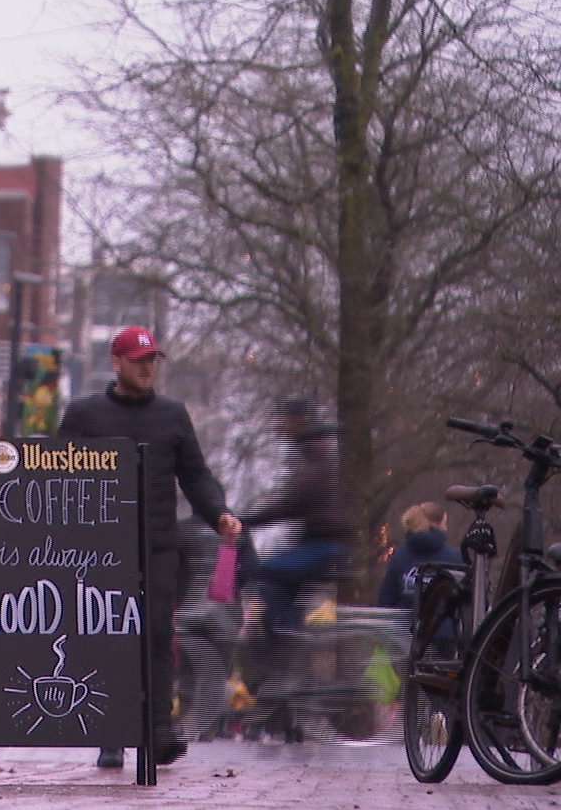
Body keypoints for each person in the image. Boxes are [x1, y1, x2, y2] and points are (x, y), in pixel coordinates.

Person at [56, 325, 240, 769]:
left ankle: (158, 729)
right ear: (116, 363)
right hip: (99, 551)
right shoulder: (84, 416)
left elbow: (195, 475)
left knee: (158, 634)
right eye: (139, 360)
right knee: (106, 635)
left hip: (158, 544)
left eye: (152, 360)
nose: (147, 368)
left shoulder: (173, 415)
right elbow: (55, 477)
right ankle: (111, 732)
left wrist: (218, 514)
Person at [242, 397, 353, 653]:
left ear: (299, 420)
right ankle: (290, 640)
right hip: (318, 544)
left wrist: (247, 520)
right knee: (284, 586)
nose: (283, 426)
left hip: (326, 546)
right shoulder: (311, 453)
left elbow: (291, 504)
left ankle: (289, 648)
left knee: (266, 571)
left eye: (287, 420)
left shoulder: (315, 459)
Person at [379, 502, 465, 609]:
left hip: (403, 624)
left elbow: (386, 602)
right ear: (436, 524)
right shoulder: (456, 558)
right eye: (444, 523)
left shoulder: (399, 556)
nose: (446, 528)